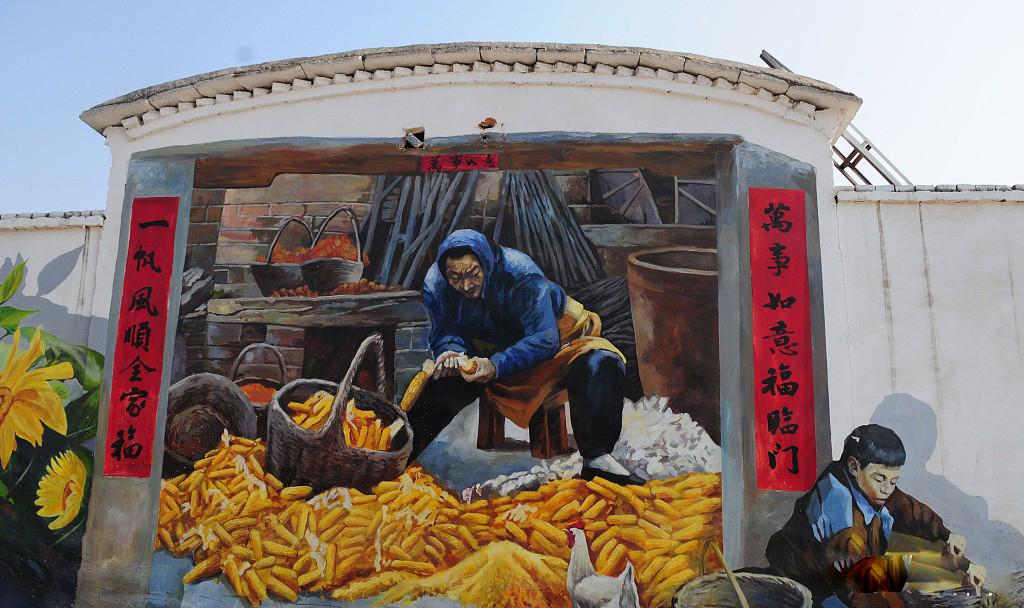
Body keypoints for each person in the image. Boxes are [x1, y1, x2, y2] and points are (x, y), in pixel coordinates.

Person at [405, 229, 642, 485]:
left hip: (554, 342)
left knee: (602, 362)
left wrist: (496, 365)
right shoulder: (436, 284)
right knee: (442, 380)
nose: (465, 285)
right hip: (487, 349)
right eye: (455, 278)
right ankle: (400, 456)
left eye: (473, 274)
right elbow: (444, 331)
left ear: (487, 264)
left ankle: (597, 459)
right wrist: (452, 351)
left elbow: (545, 338)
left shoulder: (521, 274)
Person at [765, 424, 986, 605]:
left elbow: (907, 508)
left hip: (857, 567)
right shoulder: (839, 514)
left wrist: (949, 538)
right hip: (816, 588)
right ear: (854, 466)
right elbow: (857, 590)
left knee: (933, 568)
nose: (887, 489)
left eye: (894, 481)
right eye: (880, 479)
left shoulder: (869, 483)